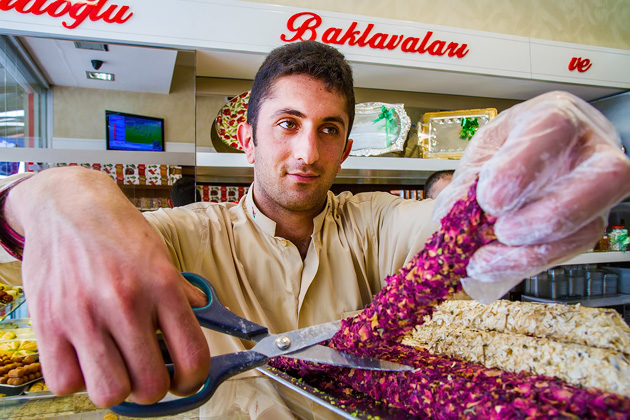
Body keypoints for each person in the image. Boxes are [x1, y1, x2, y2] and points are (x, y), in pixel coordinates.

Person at [0, 40, 629, 417]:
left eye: (328, 129)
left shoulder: (372, 222)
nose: (307, 151)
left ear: (347, 146)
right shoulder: (186, 234)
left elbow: (436, 228)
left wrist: (480, 199)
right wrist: (62, 194)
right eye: (288, 123)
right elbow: (51, 245)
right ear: (246, 137)